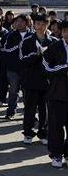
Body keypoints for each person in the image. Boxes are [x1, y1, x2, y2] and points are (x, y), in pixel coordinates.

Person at [20, 14, 56, 145]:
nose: (40, 27)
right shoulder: (27, 40)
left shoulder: (53, 41)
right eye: (38, 24)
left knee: (44, 110)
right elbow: (22, 59)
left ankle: (43, 133)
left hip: (47, 82)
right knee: (29, 109)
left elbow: (57, 61)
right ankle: (28, 133)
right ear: (33, 25)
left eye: (43, 24)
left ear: (47, 25)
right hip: (30, 81)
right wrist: (36, 54)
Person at [42, 20, 68, 168]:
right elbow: (46, 67)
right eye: (65, 31)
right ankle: (56, 155)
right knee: (56, 127)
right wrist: (64, 68)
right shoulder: (54, 47)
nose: (67, 34)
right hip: (58, 93)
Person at [1, 14, 32, 119]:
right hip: (13, 68)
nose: (19, 23)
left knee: (27, 91)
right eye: (17, 21)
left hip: (27, 69)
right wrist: (17, 46)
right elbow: (6, 49)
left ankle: (28, 112)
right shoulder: (11, 35)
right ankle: (10, 111)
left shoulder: (32, 34)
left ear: (27, 23)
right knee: (13, 90)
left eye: (21, 21)